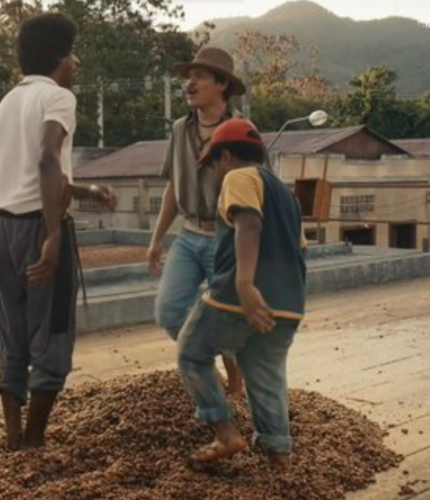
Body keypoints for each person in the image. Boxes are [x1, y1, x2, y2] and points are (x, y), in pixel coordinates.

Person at [0, 12, 115, 451]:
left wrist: (86, 188)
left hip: (2, 227)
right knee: (53, 331)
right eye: (73, 53)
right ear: (59, 56)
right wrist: (53, 235)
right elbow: (46, 160)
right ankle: (35, 441)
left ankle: (13, 436)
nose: (77, 62)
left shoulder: (9, 101)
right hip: (38, 226)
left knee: (12, 328)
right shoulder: (58, 98)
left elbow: (32, 171)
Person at [175, 118, 307, 467]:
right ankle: (279, 454)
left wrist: (245, 285)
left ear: (226, 157)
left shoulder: (238, 177)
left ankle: (224, 432)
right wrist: (283, 296)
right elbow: (299, 249)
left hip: (238, 298)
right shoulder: (286, 195)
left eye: (213, 166)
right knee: (265, 376)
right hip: (288, 305)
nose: (215, 174)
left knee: (191, 353)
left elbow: (249, 223)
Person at [147, 47, 251, 394]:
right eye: (188, 77)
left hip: (226, 239)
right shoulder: (179, 129)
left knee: (228, 316)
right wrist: (157, 238)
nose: (189, 83)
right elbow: (174, 187)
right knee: (169, 311)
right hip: (188, 237)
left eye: (200, 76)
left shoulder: (242, 131)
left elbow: (254, 196)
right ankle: (210, 370)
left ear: (222, 84)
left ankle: (235, 373)